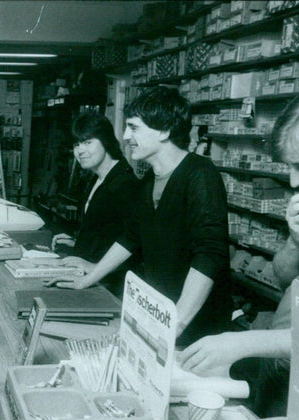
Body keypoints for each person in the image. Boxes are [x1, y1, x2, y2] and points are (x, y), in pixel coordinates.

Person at [178, 83, 299, 417]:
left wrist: (243, 343)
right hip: (288, 360)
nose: (296, 181)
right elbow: (285, 280)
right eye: (291, 166)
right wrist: (298, 239)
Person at [46, 86, 232, 348]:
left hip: (196, 330)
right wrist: (89, 278)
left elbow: (210, 255)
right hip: (160, 317)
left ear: (164, 130)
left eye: (133, 128)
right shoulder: (148, 181)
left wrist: (174, 325)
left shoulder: (200, 174)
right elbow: (130, 237)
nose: (124, 136)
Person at [50, 111, 143, 296]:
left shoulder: (125, 183)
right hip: (93, 278)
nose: (80, 151)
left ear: (106, 140)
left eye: (88, 142)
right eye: (76, 144)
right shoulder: (98, 178)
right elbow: (109, 231)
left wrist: (94, 266)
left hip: (110, 287)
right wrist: (79, 241)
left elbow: (135, 244)